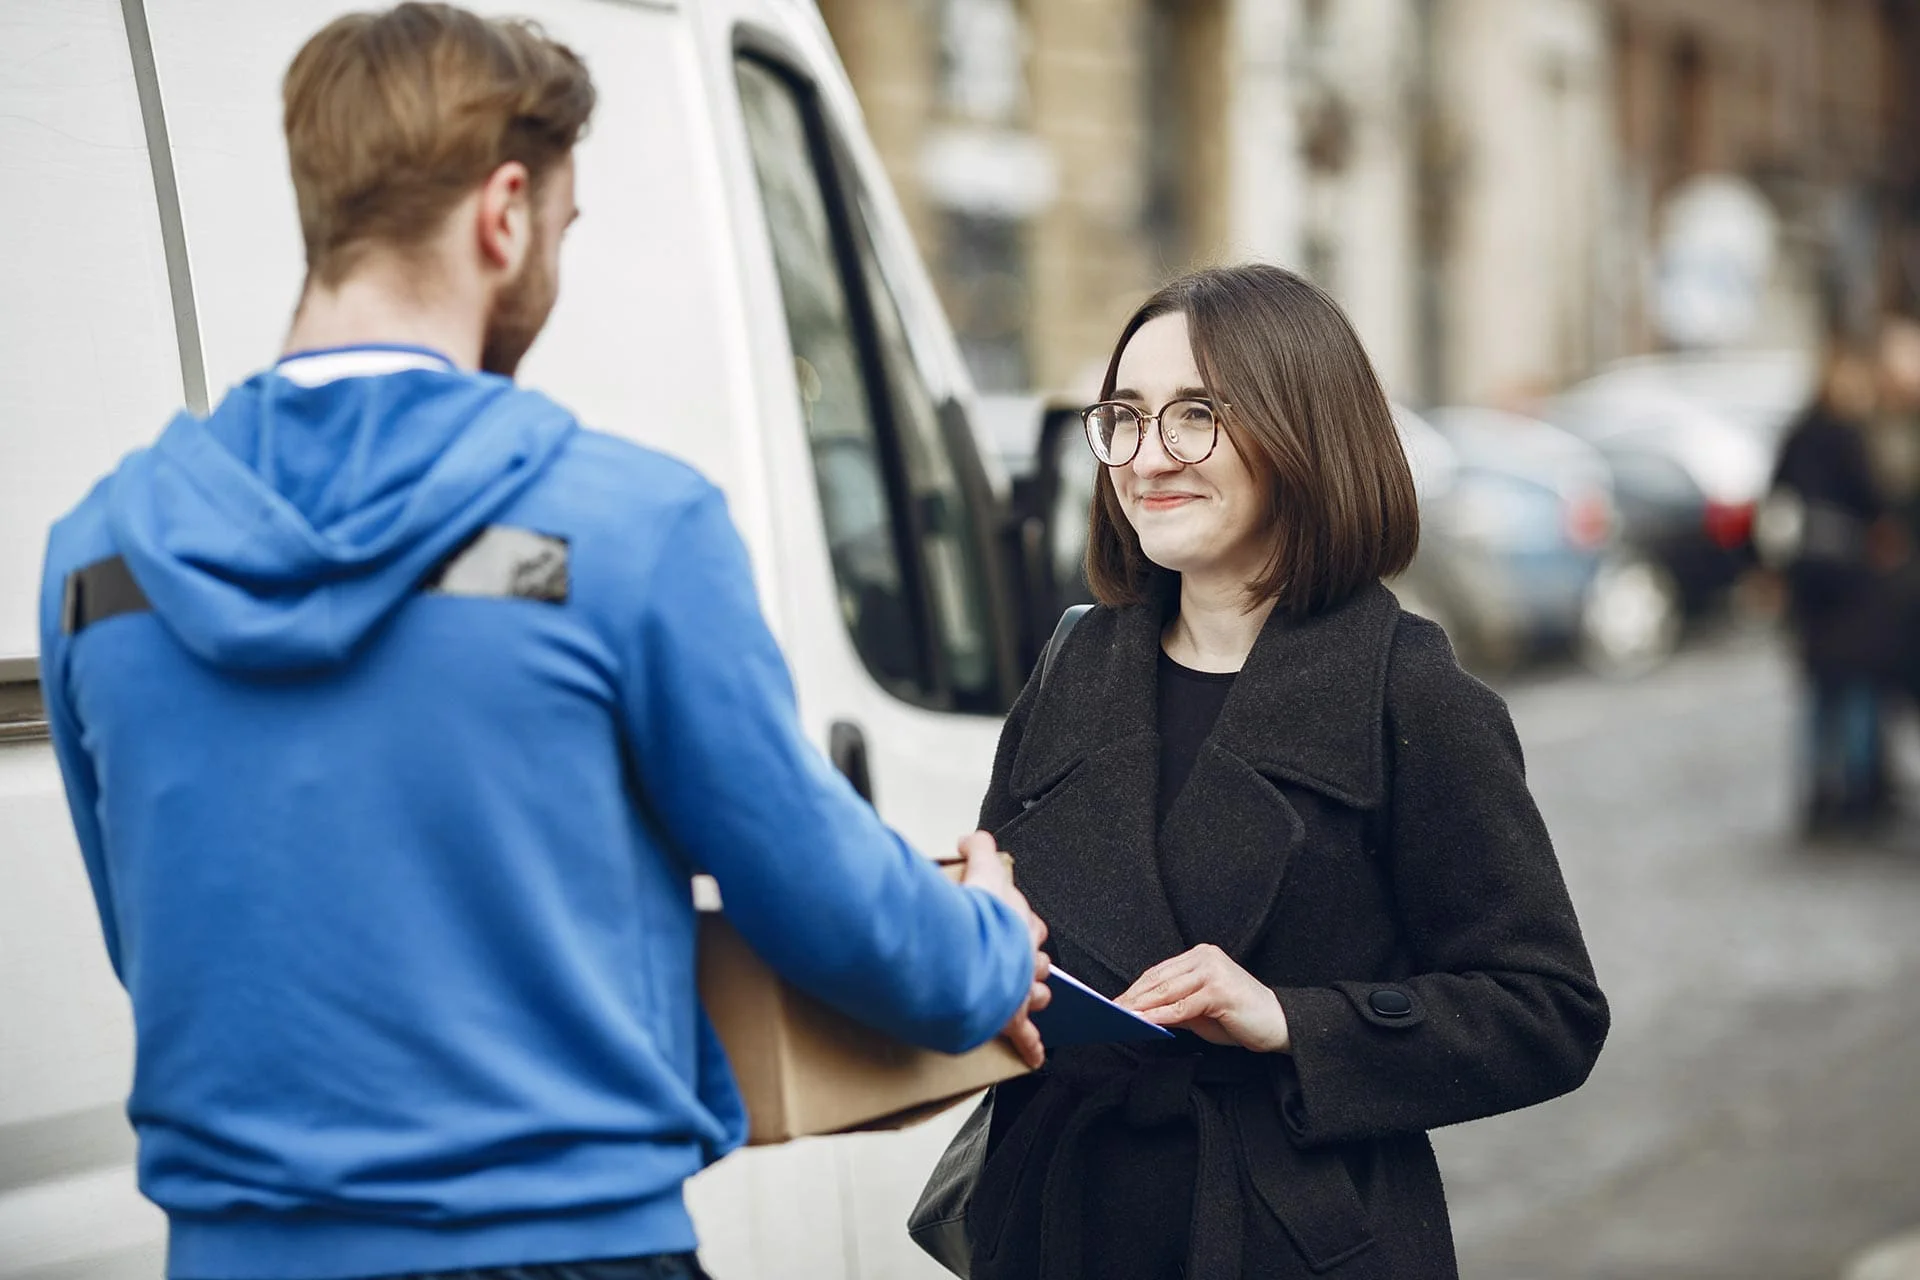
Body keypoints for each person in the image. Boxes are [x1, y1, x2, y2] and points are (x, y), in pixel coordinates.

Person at [36, 7, 1049, 1280]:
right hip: (562, 1248)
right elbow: (829, 903)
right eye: (561, 233)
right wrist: (988, 940)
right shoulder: (629, 528)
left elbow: (156, 940)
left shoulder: (98, 561)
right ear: (503, 212)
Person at [958, 265, 1609, 1280]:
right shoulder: (1076, 661)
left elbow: (1546, 1008)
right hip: (1060, 1220)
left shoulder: (1409, 691)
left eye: (1195, 416)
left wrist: (1293, 1020)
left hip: (1285, 1235)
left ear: (1301, 433)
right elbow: (1014, 908)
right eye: (1124, 418)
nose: (1146, 457)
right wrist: (976, 931)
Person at [1764, 339, 1904, 834]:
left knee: (1831, 696)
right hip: (1844, 588)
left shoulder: (1802, 435)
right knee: (1847, 695)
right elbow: (1876, 506)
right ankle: (1847, 794)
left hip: (1818, 587)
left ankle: (1828, 793)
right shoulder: (1847, 437)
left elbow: (1776, 505)